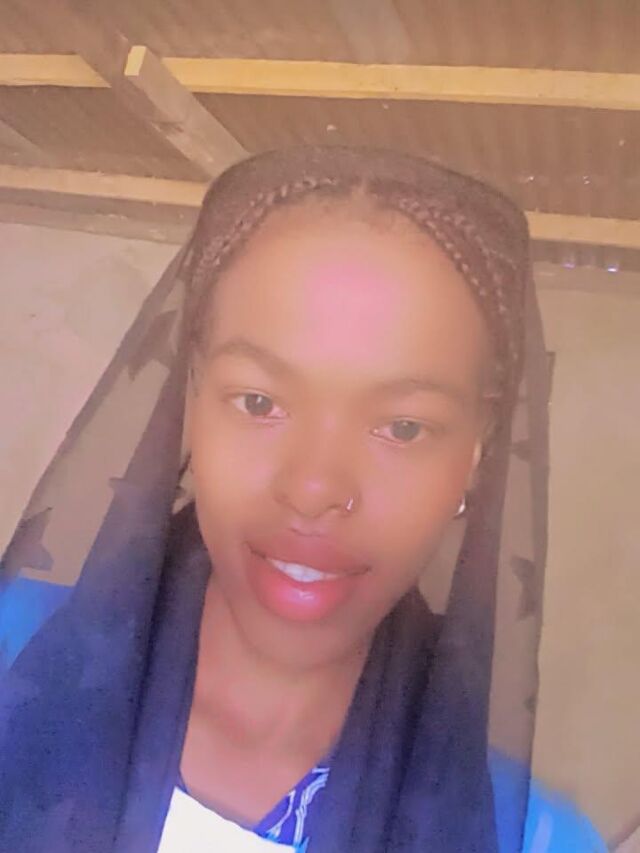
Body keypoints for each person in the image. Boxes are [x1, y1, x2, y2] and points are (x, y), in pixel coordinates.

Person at [0, 146, 605, 851]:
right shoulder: (16, 661)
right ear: (189, 397)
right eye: (258, 402)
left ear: (478, 452)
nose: (314, 489)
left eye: (403, 427)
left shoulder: (527, 838)